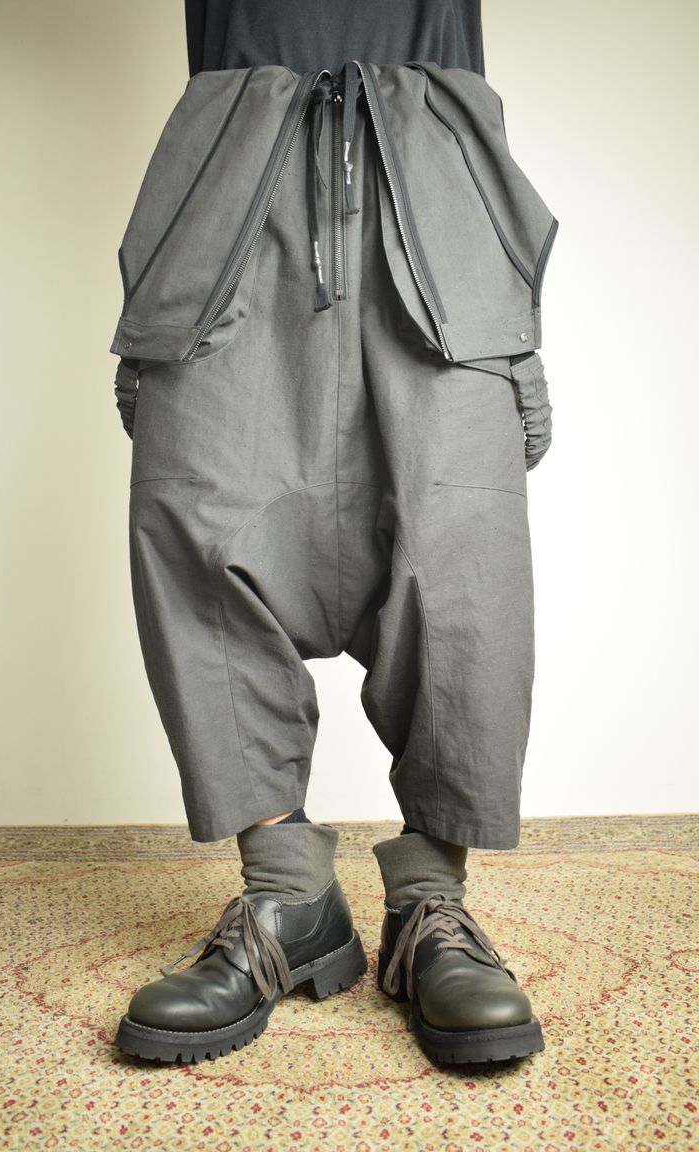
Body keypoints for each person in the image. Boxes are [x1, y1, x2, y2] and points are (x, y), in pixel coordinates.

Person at [110, 0, 556, 1067]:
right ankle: (287, 898)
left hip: (433, 173)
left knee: (461, 546)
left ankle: (432, 908)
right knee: (196, 514)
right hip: (231, 172)